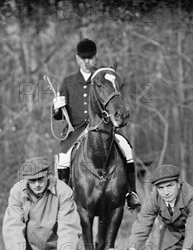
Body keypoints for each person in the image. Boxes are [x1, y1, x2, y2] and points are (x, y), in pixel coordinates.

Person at [52, 38, 141, 212]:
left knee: (127, 149)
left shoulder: (104, 78)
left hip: (103, 130)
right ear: (77, 59)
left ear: (96, 58)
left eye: (90, 58)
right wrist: (56, 107)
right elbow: (57, 116)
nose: (87, 62)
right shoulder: (68, 82)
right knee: (63, 158)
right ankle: (64, 199)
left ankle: (131, 193)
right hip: (76, 132)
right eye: (83, 58)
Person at [127, 164, 193, 250]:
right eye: (161, 188)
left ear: (178, 183)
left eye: (169, 186)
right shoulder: (155, 198)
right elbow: (142, 224)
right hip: (173, 236)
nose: (166, 192)